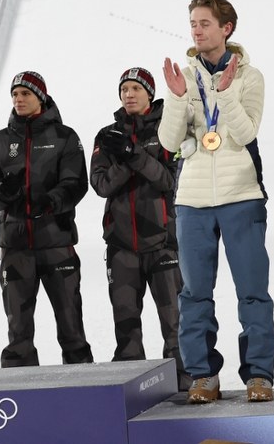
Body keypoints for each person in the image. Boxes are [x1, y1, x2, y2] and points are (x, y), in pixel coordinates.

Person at [158, 0, 274, 404]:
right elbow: (169, 143)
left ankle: (258, 375)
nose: (196, 30)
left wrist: (225, 94)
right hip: (191, 200)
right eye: (193, 23)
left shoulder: (251, 77)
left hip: (241, 195)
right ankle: (203, 375)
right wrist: (175, 98)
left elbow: (246, 134)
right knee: (194, 293)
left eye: (205, 23)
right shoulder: (184, 77)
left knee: (252, 290)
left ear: (227, 28)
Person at [0, 71, 94, 367]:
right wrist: (4, 191)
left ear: (40, 97)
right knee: (18, 332)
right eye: (15, 94)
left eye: (25, 94)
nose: (19, 99)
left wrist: (50, 201)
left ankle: (84, 390)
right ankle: (20, 396)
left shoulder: (65, 137)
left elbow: (76, 183)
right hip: (16, 248)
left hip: (57, 243)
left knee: (71, 327)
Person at [90, 67, 189, 389]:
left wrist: (134, 155)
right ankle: (130, 384)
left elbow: (169, 180)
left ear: (150, 93)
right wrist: (124, 159)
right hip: (121, 245)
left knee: (174, 320)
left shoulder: (169, 128)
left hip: (162, 241)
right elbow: (102, 185)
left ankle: (184, 378)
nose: (128, 95)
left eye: (135, 88)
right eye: (124, 90)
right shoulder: (106, 135)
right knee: (125, 321)